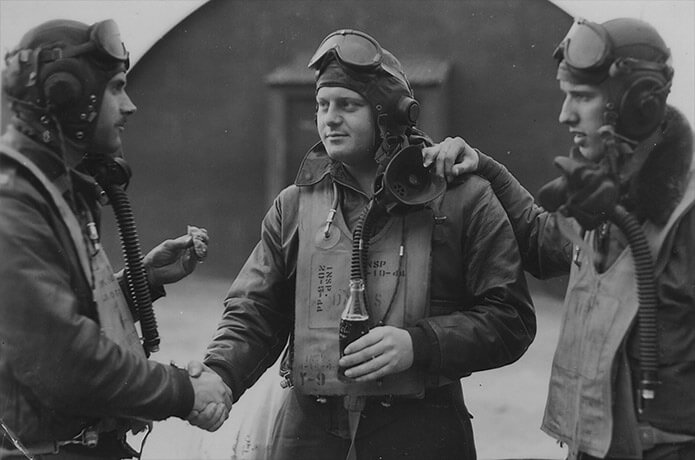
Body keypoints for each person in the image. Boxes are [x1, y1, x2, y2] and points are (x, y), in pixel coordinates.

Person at [198, 29, 536, 459]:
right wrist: (221, 374)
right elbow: (255, 309)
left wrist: (420, 343)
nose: (329, 118)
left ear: (390, 116)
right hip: (310, 433)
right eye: (322, 105)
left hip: (422, 432)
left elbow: (511, 318)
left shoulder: (462, 199)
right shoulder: (295, 205)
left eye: (348, 105)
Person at [438, 17, 695, 460]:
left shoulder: (686, 213)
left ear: (638, 105)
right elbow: (541, 242)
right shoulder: (599, 195)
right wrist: (485, 167)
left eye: (583, 96)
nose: (565, 114)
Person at [0, 19, 232, 459]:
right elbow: (63, 359)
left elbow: (59, 314)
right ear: (68, 95)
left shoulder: (53, 190)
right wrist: (183, 392)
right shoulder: (13, 203)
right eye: (116, 88)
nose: (130, 106)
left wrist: (138, 282)